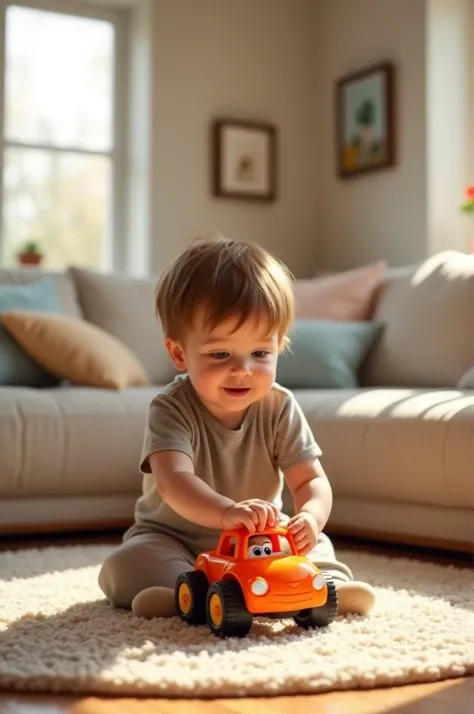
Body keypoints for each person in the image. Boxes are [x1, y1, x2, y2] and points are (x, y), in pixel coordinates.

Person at [98, 234, 376, 619]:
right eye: (220, 353)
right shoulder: (171, 407)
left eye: (260, 353)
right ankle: (180, 591)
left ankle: (327, 586)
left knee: (318, 546)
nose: (242, 369)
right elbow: (173, 481)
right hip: (175, 537)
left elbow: (309, 480)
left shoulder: (280, 406)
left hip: (260, 541)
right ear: (180, 353)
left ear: (279, 346)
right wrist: (226, 513)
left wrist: (310, 518)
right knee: (129, 562)